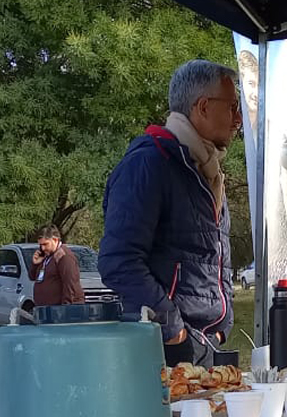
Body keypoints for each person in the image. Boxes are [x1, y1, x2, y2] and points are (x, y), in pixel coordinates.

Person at [98, 59, 238, 366]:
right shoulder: (148, 164)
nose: (238, 119)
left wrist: (221, 328)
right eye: (232, 107)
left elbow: (216, 259)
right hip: (162, 351)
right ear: (203, 107)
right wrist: (174, 331)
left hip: (204, 346)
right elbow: (117, 261)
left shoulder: (207, 172)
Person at [27, 225, 83, 306]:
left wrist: (65, 309)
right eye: (40, 245)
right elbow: (32, 277)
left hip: (60, 309)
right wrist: (35, 264)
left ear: (55, 240)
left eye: (45, 244)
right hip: (45, 308)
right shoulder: (46, 256)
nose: (42, 248)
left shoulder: (64, 256)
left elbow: (70, 286)